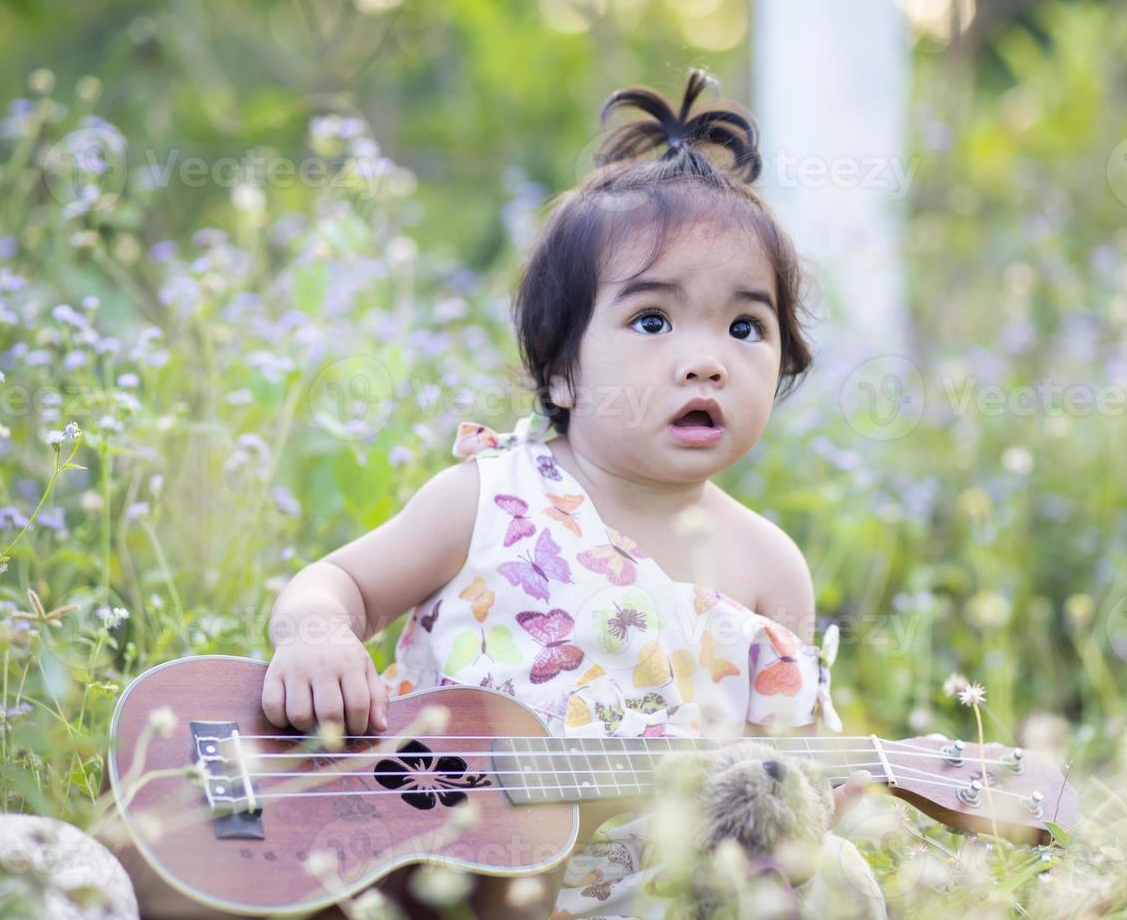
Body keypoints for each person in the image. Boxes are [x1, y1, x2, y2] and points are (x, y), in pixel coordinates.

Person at [263, 68, 872, 918]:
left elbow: (785, 789)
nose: (707, 359)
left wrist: (817, 811)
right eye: (653, 320)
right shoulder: (490, 499)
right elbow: (341, 585)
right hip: (450, 870)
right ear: (561, 372)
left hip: (659, 897)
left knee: (840, 882)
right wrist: (318, 636)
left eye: (746, 327)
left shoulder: (770, 571)